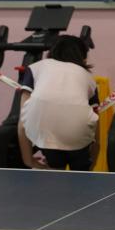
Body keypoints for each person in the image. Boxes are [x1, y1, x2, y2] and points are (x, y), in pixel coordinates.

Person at [17, 35, 99, 171]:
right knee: (81, 174)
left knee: (56, 169)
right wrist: (94, 161)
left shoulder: (34, 68)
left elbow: (22, 125)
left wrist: (29, 161)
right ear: (83, 57)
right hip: (79, 137)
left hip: (44, 136)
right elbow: (96, 125)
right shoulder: (89, 77)